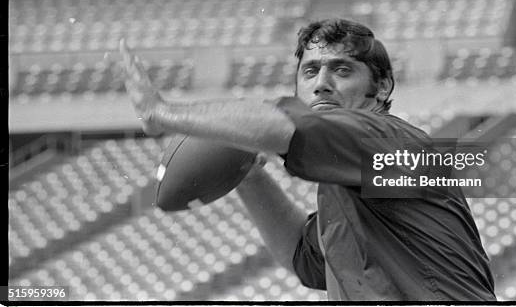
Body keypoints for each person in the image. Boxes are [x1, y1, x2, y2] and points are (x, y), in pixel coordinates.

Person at [118, 18, 496, 301]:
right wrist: (249, 176)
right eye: (310, 71)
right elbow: (304, 258)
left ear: (380, 88)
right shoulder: (349, 178)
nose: (321, 83)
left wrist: (162, 113)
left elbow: (287, 127)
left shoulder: (383, 138)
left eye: (342, 69)